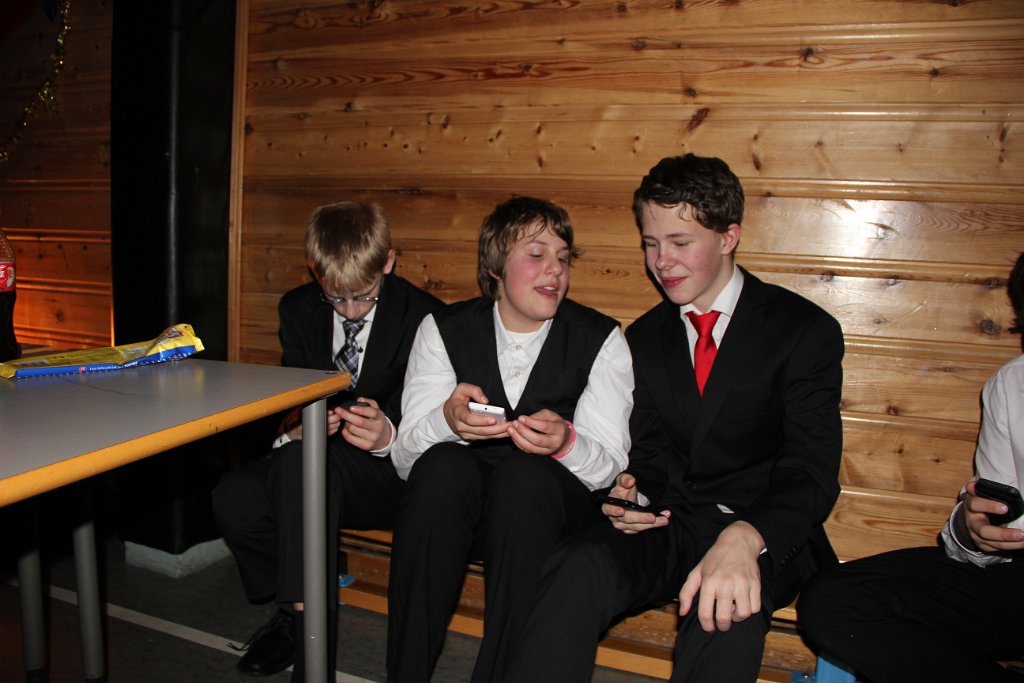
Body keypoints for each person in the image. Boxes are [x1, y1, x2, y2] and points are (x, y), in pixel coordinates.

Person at [502, 153, 846, 683]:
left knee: (724, 605)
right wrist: (632, 494)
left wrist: (746, 537)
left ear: (728, 237)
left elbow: (811, 471)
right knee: (577, 566)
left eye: (680, 243)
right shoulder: (645, 337)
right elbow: (651, 457)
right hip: (676, 523)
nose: (661, 261)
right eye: (650, 243)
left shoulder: (803, 330)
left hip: (767, 532)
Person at [385, 196, 634, 683]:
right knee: (441, 468)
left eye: (563, 258)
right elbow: (404, 459)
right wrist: (446, 420)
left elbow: (610, 468)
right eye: (536, 254)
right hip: (466, 507)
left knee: (524, 478)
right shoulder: (443, 329)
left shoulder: (599, 338)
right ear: (496, 267)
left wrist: (565, 444)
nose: (555, 269)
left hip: (550, 511)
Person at [212, 201, 443, 680]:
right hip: (312, 463)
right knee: (233, 497)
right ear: (315, 272)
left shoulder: (426, 317)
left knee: (300, 469)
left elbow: (435, 424)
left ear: (388, 262)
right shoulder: (297, 308)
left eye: (363, 297)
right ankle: (294, 609)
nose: (350, 310)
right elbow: (288, 401)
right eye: (335, 297)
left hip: (390, 472)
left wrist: (388, 434)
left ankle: (307, 642)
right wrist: (292, 429)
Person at [798, 251, 1024, 683]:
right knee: (835, 600)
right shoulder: (1012, 384)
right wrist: (972, 528)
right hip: (1015, 582)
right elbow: (987, 520)